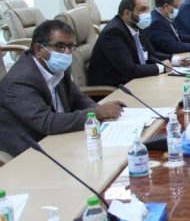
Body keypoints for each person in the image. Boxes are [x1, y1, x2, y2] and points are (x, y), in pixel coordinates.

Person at [0, 20, 125, 157]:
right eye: (60, 46)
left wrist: (100, 111)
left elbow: (77, 97)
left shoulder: (57, 66)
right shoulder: (19, 81)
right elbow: (46, 122)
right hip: (29, 152)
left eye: (71, 47)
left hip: (58, 139)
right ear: (38, 49)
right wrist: (96, 113)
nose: (67, 53)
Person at [88, 0, 171, 87]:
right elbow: (128, 70)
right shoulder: (113, 32)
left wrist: (176, 60)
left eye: (148, 9)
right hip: (114, 87)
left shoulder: (138, 26)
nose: (147, 14)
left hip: (135, 80)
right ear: (127, 13)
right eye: (143, 10)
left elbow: (152, 55)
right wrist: (161, 67)